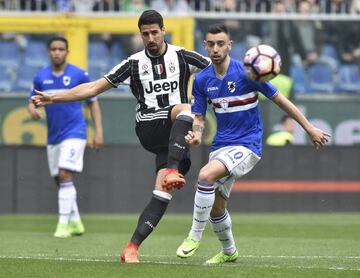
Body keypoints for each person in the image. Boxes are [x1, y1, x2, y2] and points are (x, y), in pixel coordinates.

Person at [32, 10, 210, 263]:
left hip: (174, 139)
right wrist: (53, 97)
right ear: (140, 35)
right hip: (149, 126)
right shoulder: (133, 63)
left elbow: (219, 71)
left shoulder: (183, 56)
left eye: (154, 32)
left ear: (163, 31)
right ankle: (172, 168)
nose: (150, 38)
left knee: (162, 193)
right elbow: (93, 87)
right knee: (186, 108)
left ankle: (131, 247)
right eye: (145, 33)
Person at [176, 24, 330, 264]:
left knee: (205, 175)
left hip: (247, 145)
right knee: (217, 208)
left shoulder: (249, 73)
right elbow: (198, 116)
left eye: (220, 43)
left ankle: (193, 236)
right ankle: (229, 252)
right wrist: (196, 134)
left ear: (229, 45)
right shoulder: (202, 79)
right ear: (205, 45)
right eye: (211, 44)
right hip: (220, 146)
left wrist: (308, 128)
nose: (215, 49)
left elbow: (281, 101)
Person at [28, 36, 104, 238]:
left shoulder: (79, 74)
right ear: (49, 52)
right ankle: (76, 222)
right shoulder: (40, 76)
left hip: (75, 131)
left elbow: (93, 103)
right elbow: (32, 101)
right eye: (53, 49)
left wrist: (98, 131)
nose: (57, 52)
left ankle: (62, 225)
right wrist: (33, 111)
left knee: (64, 175)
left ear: (67, 51)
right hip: (53, 136)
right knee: (59, 180)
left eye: (61, 49)